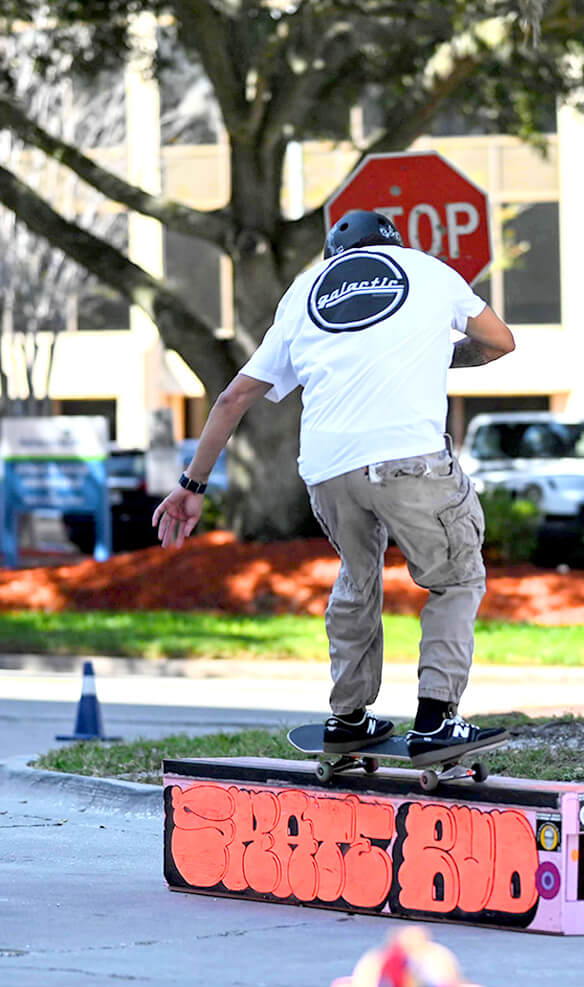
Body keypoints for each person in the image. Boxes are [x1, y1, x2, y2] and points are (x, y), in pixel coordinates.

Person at [153, 210, 516, 762]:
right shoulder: (428, 269)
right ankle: (438, 719)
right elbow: (499, 341)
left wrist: (191, 485)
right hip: (407, 460)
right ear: (392, 246)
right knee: (455, 578)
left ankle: (348, 717)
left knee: (357, 575)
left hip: (327, 469)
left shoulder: (304, 292)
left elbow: (232, 398)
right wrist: (441, 353)